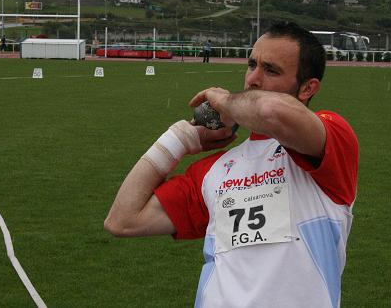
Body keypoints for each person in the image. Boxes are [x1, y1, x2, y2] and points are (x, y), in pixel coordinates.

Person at [105, 21, 359, 308]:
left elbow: (270, 111)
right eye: (252, 65)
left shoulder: (332, 139)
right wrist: (181, 138)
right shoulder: (213, 170)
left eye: (271, 70)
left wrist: (226, 102)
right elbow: (122, 219)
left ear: (307, 88)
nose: (253, 78)